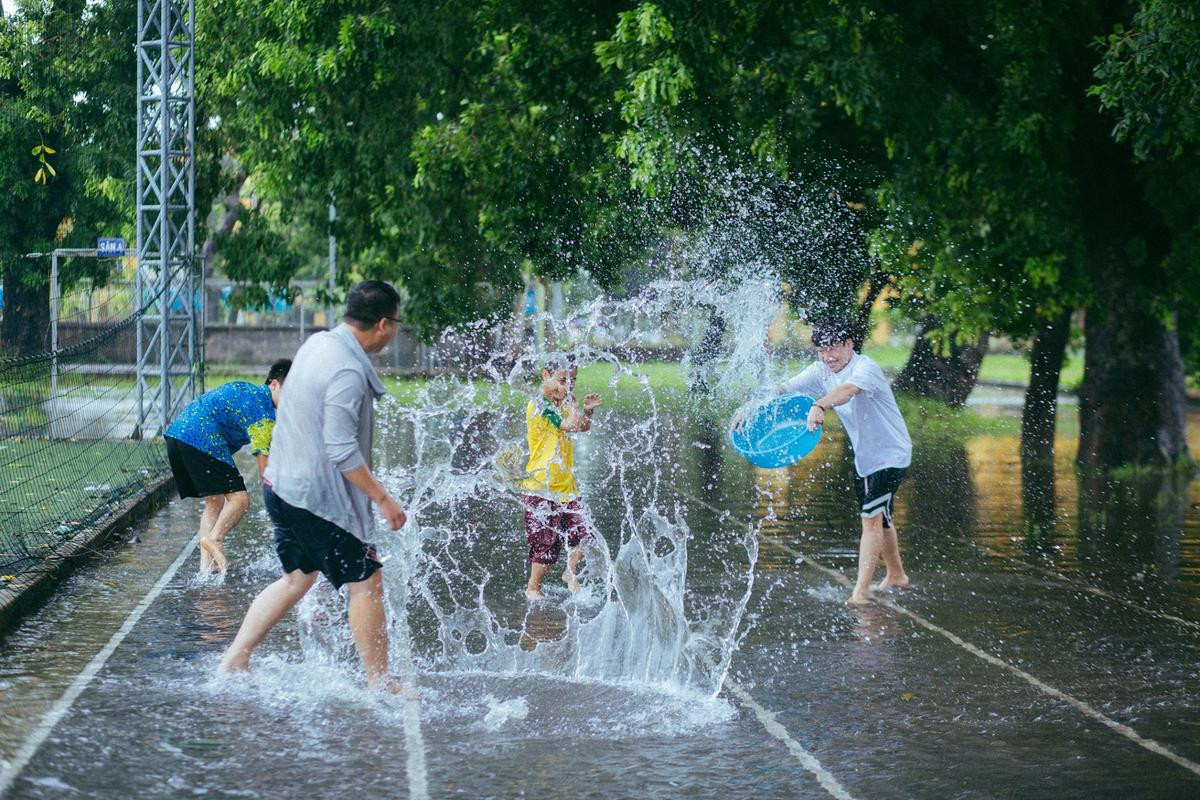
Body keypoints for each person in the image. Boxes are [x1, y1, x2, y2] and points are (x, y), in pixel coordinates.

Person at [217, 280, 413, 695]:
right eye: (395, 322)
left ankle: (235, 660)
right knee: (366, 582)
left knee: (296, 578)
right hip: (316, 500)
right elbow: (341, 448)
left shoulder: (318, 344)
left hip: (282, 486)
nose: (395, 330)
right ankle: (380, 682)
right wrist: (383, 499)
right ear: (382, 323)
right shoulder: (346, 370)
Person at [775, 317, 912, 604]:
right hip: (866, 458)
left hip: (892, 455)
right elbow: (784, 389)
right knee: (882, 517)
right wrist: (751, 410)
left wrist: (819, 404)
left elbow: (847, 391)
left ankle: (860, 592)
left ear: (849, 344)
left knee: (870, 519)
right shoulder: (821, 370)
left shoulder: (866, 368)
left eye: (833, 348)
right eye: (822, 351)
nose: (828, 357)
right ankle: (897, 574)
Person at [164, 359, 292, 573]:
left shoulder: (247, 389)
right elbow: (264, 470)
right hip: (201, 439)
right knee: (240, 499)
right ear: (274, 384)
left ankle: (206, 569)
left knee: (214, 503)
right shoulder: (264, 412)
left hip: (178, 436)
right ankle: (215, 538)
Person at [519, 362, 602, 600]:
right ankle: (533, 587)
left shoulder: (564, 403)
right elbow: (568, 425)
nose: (568, 386)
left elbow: (582, 426)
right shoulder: (539, 405)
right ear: (545, 375)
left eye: (572, 381)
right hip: (541, 489)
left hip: (566, 488)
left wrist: (586, 411)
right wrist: (575, 409)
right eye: (562, 381)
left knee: (584, 534)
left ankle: (569, 572)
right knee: (545, 545)